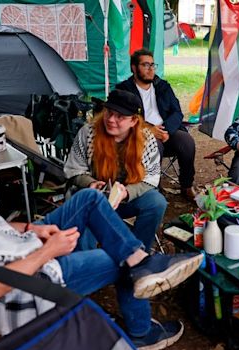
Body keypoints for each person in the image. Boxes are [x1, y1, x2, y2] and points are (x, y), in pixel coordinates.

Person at [0, 77, 203, 350]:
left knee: (93, 202)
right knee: (118, 255)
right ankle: (141, 330)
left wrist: (29, 227)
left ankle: (140, 262)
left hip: (16, 243)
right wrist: (48, 251)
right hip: (21, 281)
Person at [64, 89, 166, 252]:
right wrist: (90, 183)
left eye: (120, 116)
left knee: (156, 202)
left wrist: (126, 192)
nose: (111, 119)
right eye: (109, 112)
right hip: (94, 198)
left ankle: (136, 254)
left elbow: (151, 178)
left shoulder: (146, 139)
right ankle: (87, 263)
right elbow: (74, 169)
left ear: (133, 120)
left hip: (127, 199)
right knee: (82, 211)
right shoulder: (88, 132)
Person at [116, 49, 196, 201]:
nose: (151, 69)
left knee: (186, 141)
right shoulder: (124, 90)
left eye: (153, 65)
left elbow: (177, 112)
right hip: (140, 135)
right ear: (134, 68)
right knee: (154, 146)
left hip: (166, 130)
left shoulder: (162, 86)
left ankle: (186, 186)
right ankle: (153, 188)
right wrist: (149, 129)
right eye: (145, 65)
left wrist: (166, 130)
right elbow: (124, 118)